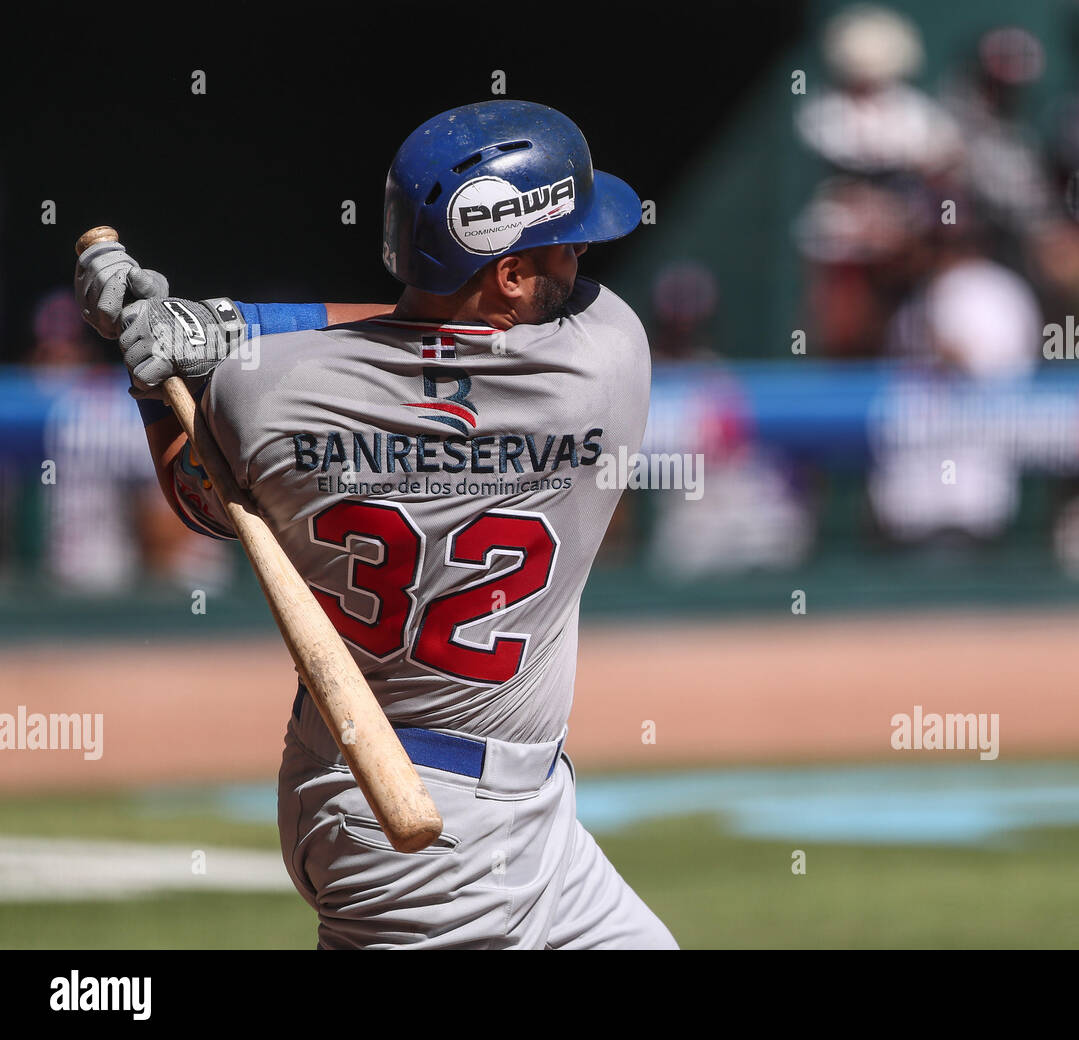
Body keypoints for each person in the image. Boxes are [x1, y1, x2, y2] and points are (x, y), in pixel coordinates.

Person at [76, 100, 677, 949]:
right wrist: (239, 324)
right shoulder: (606, 364)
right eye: (566, 245)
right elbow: (418, 338)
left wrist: (167, 374)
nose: (580, 263)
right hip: (421, 849)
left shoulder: (262, 395)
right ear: (506, 276)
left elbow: (196, 498)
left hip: (377, 787)